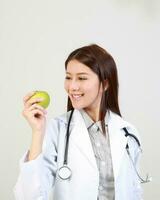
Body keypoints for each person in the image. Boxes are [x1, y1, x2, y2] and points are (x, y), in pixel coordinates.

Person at [14, 44, 143, 200]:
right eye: (68, 77)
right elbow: (28, 196)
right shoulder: (57, 130)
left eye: (81, 78)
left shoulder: (128, 133)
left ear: (105, 84)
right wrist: (37, 131)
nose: (72, 86)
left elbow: (134, 192)